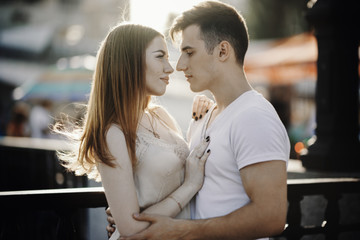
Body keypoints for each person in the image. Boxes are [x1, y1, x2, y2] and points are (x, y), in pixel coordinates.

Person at [109, 1, 290, 240]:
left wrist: (182, 231)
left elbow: (271, 217)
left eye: (189, 52)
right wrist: (130, 209)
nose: (180, 65)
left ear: (223, 51)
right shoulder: (204, 117)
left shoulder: (254, 117)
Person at [53, 22, 213, 239]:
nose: (170, 67)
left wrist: (203, 114)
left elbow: (184, 165)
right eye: (160, 56)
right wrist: (190, 186)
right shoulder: (112, 133)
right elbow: (130, 227)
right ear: (130, 62)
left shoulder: (160, 115)